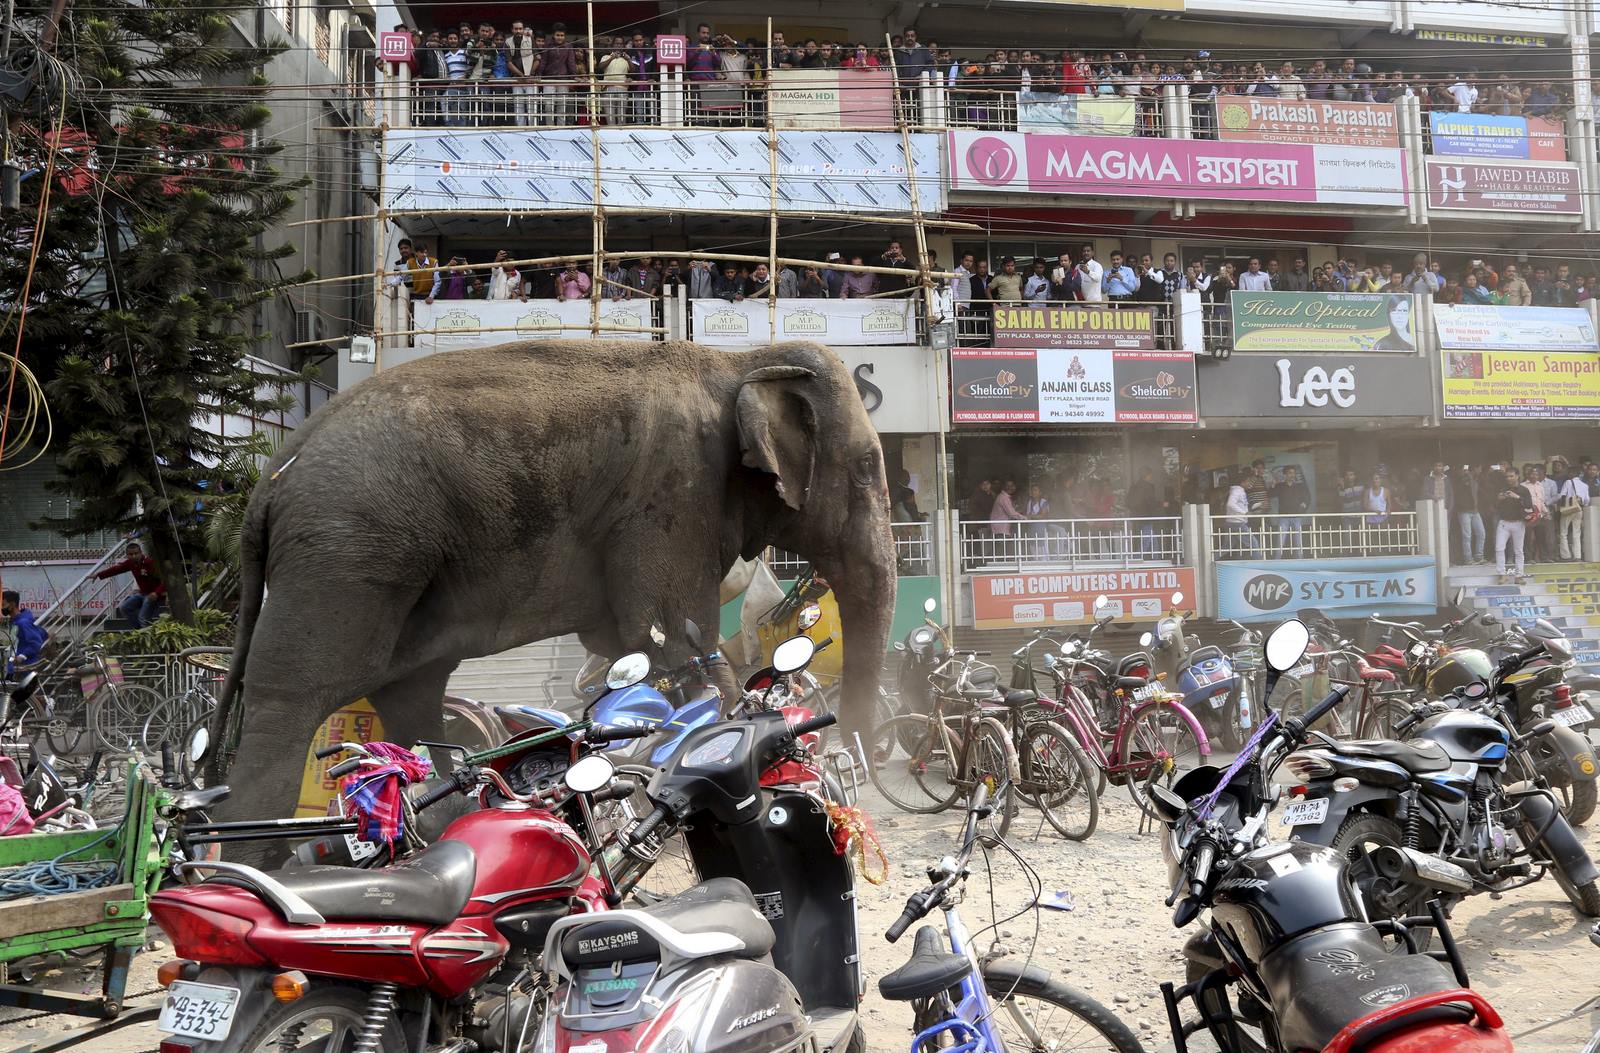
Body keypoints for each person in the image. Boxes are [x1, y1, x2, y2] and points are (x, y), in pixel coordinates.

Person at [94, 541, 167, 628]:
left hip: (154, 595)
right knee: (124, 607)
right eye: (130, 554)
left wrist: (156, 593)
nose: (134, 556)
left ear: (141, 553)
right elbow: (116, 569)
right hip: (142, 593)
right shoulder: (130, 563)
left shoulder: (149, 563)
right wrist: (98, 575)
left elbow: (165, 580)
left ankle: (147, 635)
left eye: (136, 553)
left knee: (142, 617)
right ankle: (139, 630)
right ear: (127, 555)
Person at [1494, 467, 1533, 581]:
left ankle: (1519, 576)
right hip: (1504, 522)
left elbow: (1528, 505)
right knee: (1499, 548)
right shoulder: (1503, 488)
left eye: (1511, 476)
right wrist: (1500, 498)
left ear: (1517, 476)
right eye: (1507, 476)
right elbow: (1496, 505)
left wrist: (1517, 497)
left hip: (1518, 523)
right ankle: (1502, 574)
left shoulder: (1524, 490)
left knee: (1519, 550)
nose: (1509, 478)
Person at [2, 590, 48, 676]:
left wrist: (22, 656)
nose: (2, 608)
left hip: (25, 668)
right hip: (15, 667)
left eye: (3, 605)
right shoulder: (14, 621)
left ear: (12, 604)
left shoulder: (24, 622)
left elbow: (36, 643)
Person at [1272, 465, 1311, 558]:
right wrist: (1273, 485)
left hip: (1296, 516)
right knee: (1280, 542)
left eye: (1293, 473)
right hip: (1283, 517)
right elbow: (1270, 494)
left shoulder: (1300, 486)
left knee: (1298, 542)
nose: (1292, 475)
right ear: (1285, 474)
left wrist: (1304, 505)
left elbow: (1307, 499)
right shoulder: (1280, 486)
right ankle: (1276, 562)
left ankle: (1299, 562)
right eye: (1289, 473)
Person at [1454, 464, 1486, 565]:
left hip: (1475, 511)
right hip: (1464, 511)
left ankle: (1478, 557)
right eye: (1479, 468)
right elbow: (1459, 492)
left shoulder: (1475, 481)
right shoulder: (1461, 480)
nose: (1480, 470)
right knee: (1467, 535)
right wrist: (1464, 476)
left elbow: (1477, 494)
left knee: (1481, 533)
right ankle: (1468, 559)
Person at [1557, 468, 1590, 561]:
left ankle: (1566, 556)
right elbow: (1587, 501)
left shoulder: (1568, 482)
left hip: (1568, 509)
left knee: (1563, 532)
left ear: (1571, 473)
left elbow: (1562, 495)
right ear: (1579, 474)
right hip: (1579, 509)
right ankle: (1577, 556)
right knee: (1577, 533)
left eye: (1569, 472)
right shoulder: (1585, 485)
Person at [1221, 472, 1258, 555]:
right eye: (1248, 481)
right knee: (1254, 544)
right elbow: (1230, 504)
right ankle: (1259, 566)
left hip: (1232, 522)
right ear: (1242, 482)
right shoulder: (1237, 491)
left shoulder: (1238, 490)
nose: (1249, 483)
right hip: (1237, 523)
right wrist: (1244, 513)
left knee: (1226, 548)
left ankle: (1209, 562)